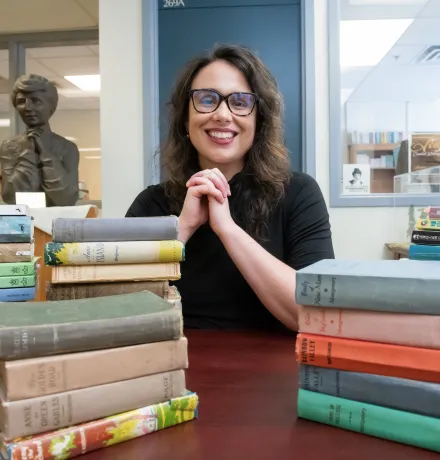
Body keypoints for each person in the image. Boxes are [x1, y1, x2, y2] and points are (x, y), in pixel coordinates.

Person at [126, 44, 334, 331]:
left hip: (276, 371)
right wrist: (181, 230)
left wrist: (228, 229)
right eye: (207, 99)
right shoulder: (151, 203)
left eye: (239, 102)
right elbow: (120, 311)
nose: (223, 115)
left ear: (258, 120)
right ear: (185, 120)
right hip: (173, 365)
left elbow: (315, 315)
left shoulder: (299, 193)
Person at [0, 74, 79, 207]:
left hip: (55, 223)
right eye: (21, 102)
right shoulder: (8, 147)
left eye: (36, 101)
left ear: (51, 107)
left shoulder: (67, 148)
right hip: (21, 222)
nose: (28, 107)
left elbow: (67, 199)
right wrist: (27, 154)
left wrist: (46, 154)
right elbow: (10, 196)